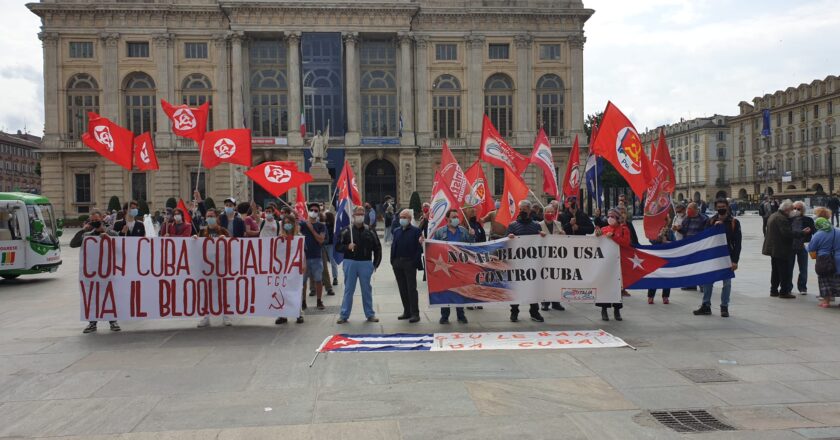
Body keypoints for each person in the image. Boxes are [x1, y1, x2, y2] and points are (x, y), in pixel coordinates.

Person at [71, 210, 121, 334]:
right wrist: (83, 230)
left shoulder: (112, 233)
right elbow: (73, 244)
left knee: (110, 296)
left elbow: (121, 246)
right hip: (92, 273)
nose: (94, 222)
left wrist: (107, 237)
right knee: (92, 297)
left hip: (109, 272)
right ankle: (92, 323)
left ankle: (113, 321)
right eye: (92, 221)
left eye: (96, 220)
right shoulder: (87, 235)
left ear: (102, 220)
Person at [695, 198, 742, 317]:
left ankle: (724, 307)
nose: (721, 209)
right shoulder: (710, 221)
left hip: (727, 257)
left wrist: (735, 261)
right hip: (713, 256)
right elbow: (705, 239)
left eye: (723, 206)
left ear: (727, 207)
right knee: (708, 282)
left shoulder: (734, 222)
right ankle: (706, 305)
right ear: (716, 208)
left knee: (727, 283)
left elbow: (738, 243)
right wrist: (714, 227)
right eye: (719, 207)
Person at [336, 206, 382, 323]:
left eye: (362, 214)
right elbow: (337, 247)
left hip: (365, 263)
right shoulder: (346, 231)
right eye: (358, 214)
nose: (360, 216)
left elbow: (377, 248)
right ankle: (344, 315)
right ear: (353, 215)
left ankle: (370, 314)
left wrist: (375, 264)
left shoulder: (370, 230)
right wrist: (347, 247)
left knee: (366, 290)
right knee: (348, 290)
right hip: (350, 263)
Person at [432, 209, 476, 324]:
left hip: (460, 267)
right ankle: (444, 316)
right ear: (447, 219)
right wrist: (423, 242)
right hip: (445, 267)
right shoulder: (439, 232)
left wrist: (472, 236)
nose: (456, 218)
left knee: (460, 291)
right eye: (453, 216)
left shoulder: (463, 231)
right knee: (445, 291)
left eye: (457, 216)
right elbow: (431, 247)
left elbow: (471, 247)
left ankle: (461, 315)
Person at [506, 199, 545, 323]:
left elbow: (541, 243)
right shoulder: (512, 225)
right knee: (516, 288)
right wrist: (509, 237)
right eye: (520, 209)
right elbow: (505, 242)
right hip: (517, 264)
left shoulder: (536, 225)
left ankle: (534, 312)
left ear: (529, 210)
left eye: (524, 209)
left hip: (532, 263)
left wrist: (543, 236)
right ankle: (514, 312)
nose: (522, 211)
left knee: (532, 288)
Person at [763, 200, 810, 299]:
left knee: (775, 270)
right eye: (792, 209)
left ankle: (774, 290)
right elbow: (787, 234)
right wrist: (802, 233)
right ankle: (784, 292)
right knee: (784, 271)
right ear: (787, 210)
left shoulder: (774, 215)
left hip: (774, 248)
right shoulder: (782, 218)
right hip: (781, 248)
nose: (793, 211)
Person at [594, 208, 627, 321]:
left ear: (617, 218)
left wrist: (614, 236)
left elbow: (626, 243)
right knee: (604, 286)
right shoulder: (604, 229)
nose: (609, 218)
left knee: (617, 288)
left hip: (618, 263)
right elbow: (597, 244)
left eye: (612, 216)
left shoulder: (624, 229)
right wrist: (597, 236)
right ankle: (604, 310)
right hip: (605, 263)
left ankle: (617, 310)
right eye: (608, 216)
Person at [391, 209, 423, 323]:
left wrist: (414, 262)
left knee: (411, 289)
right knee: (402, 288)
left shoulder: (416, 231)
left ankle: (415, 313)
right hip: (398, 263)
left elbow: (419, 249)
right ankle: (407, 311)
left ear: (409, 219)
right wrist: (393, 261)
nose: (402, 219)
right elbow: (393, 246)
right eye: (401, 217)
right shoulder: (396, 231)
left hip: (409, 263)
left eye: (404, 217)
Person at [275, 214, 305, 324]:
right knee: (281, 290)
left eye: (289, 223)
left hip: (295, 267)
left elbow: (302, 252)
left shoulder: (299, 237)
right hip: (282, 268)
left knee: (296, 290)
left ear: (293, 224)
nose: (287, 225)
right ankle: (283, 315)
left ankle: (298, 314)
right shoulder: (278, 237)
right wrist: (279, 240)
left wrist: (303, 263)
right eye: (285, 223)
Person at [808, 217, 840, 308]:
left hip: (824, 260)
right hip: (839, 259)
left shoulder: (819, 234)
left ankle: (826, 302)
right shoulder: (838, 231)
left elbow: (811, 248)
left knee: (825, 280)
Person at [300, 203, 327, 310]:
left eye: (316, 210)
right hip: (303, 258)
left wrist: (311, 229)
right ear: (308, 211)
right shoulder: (302, 225)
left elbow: (321, 240)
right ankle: (303, 301)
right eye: (312, 210)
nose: (314, 212)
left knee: (318, 280)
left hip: (316, 257)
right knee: (302, 281)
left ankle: (319, 300)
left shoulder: (321, 226)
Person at [539, 203, 566, 312]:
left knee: (556, 280)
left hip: (556, 256)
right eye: (547, 212)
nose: (550, 214)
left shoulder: (558, 224)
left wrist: (563, 234)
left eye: (552, 212)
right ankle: (545, 302)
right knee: (545, 280)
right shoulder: (539, 225)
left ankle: (556, 302)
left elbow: (565, 239)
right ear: (543, 213)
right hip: (544, 257)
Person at [676, 202, 708, 291]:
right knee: (690, 265)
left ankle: (702, 284)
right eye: (687, 209)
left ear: (695, 209)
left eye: (689, 209)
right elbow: (684, 231)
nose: (687, 211)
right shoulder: (687, 219)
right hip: (688, 246)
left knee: (700, 265)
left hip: (699, 246)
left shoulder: (704, 219)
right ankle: (691, 284)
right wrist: (679, 229)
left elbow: (706, 232)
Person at [790, 200, 815, 295]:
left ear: (803, 210)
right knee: (789, 268)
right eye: (794, 208)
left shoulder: (808, 220)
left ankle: (802, 287)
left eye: (798, 209)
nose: (796, 210)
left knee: (803, 268)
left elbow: (814, 232)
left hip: (801, 246)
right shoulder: (789, 219)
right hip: (790, 246)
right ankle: (788, 287)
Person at [647, 226, 673, 304]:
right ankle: (651, 296)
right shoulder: (654, 230)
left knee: (667, 277)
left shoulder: (670, 231)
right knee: (654, 277)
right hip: (656, 257)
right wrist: (659, 236)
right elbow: (651, 240)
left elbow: (675, 242)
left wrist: (667, 242)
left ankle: (665, 296)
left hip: (667, 257)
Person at [323, 210, 339, 286]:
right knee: (323, 263)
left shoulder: (334, 226)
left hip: (330, 245)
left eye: (325, 215)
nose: (324, 216)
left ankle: (335, 277)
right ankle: (324, 279)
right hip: (323, 245)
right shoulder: (323, 225)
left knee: (333, 262)